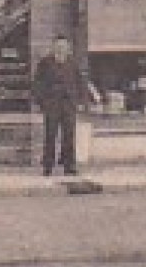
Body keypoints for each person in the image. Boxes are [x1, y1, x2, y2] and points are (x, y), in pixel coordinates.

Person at [33, 34, 101, 176]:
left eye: (64, 46)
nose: (61, 49)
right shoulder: (45, 63)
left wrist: (81, 101)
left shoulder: (72, 63)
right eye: (58, 46)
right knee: (50, 135)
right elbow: (38, 84)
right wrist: (42, 102)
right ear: (53, 47)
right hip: (52, 104)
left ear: (68, 48)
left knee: (69, 135)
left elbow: (80, 83)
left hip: (68, 104)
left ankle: (69, 165)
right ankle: (48, 165)